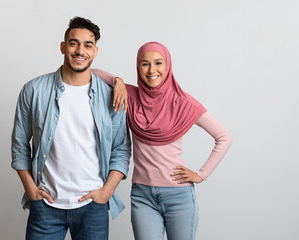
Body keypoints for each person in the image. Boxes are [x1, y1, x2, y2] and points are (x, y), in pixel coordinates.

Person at [93, 41, 233, 240]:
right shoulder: (130, 97)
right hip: (142, 196)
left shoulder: (183, 102)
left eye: (158, 63)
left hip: (179, 196)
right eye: (145, 64)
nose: (152, 70)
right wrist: (118, 81)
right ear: (138, 67)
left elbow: (224, 137)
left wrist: (201, 175)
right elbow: (93, 73)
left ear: (167, 66)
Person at [11, 17, 131, 240]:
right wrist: (30, 189)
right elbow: (19, 144)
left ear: (95, 51)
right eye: (74, 43)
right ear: (63, 47)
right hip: (46, 204)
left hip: (92, 206)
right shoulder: (34, 90)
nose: (80, 51)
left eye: (88, 45)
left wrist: (107, 192)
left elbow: (121, 149)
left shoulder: (111, 96)